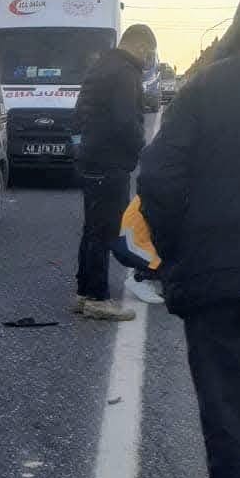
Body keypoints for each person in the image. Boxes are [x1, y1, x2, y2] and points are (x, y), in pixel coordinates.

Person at [139, 3, 240, 478]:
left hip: (220, 283)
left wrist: (177, 254)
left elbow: (158, 176)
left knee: (229, 416)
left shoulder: (207, 90)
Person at [73, 23, 157, 321]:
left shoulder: (101, 66)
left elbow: (79, 112)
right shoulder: (126, 72)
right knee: (106, 229)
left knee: (92, 228)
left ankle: (84, 292)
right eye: (149, 52)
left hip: (91, 158)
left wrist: (82, 145)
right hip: (110, 162)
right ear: (140, 46)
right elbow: (126, 121)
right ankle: (97, 298)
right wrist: (141, 147)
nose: (149, 59)